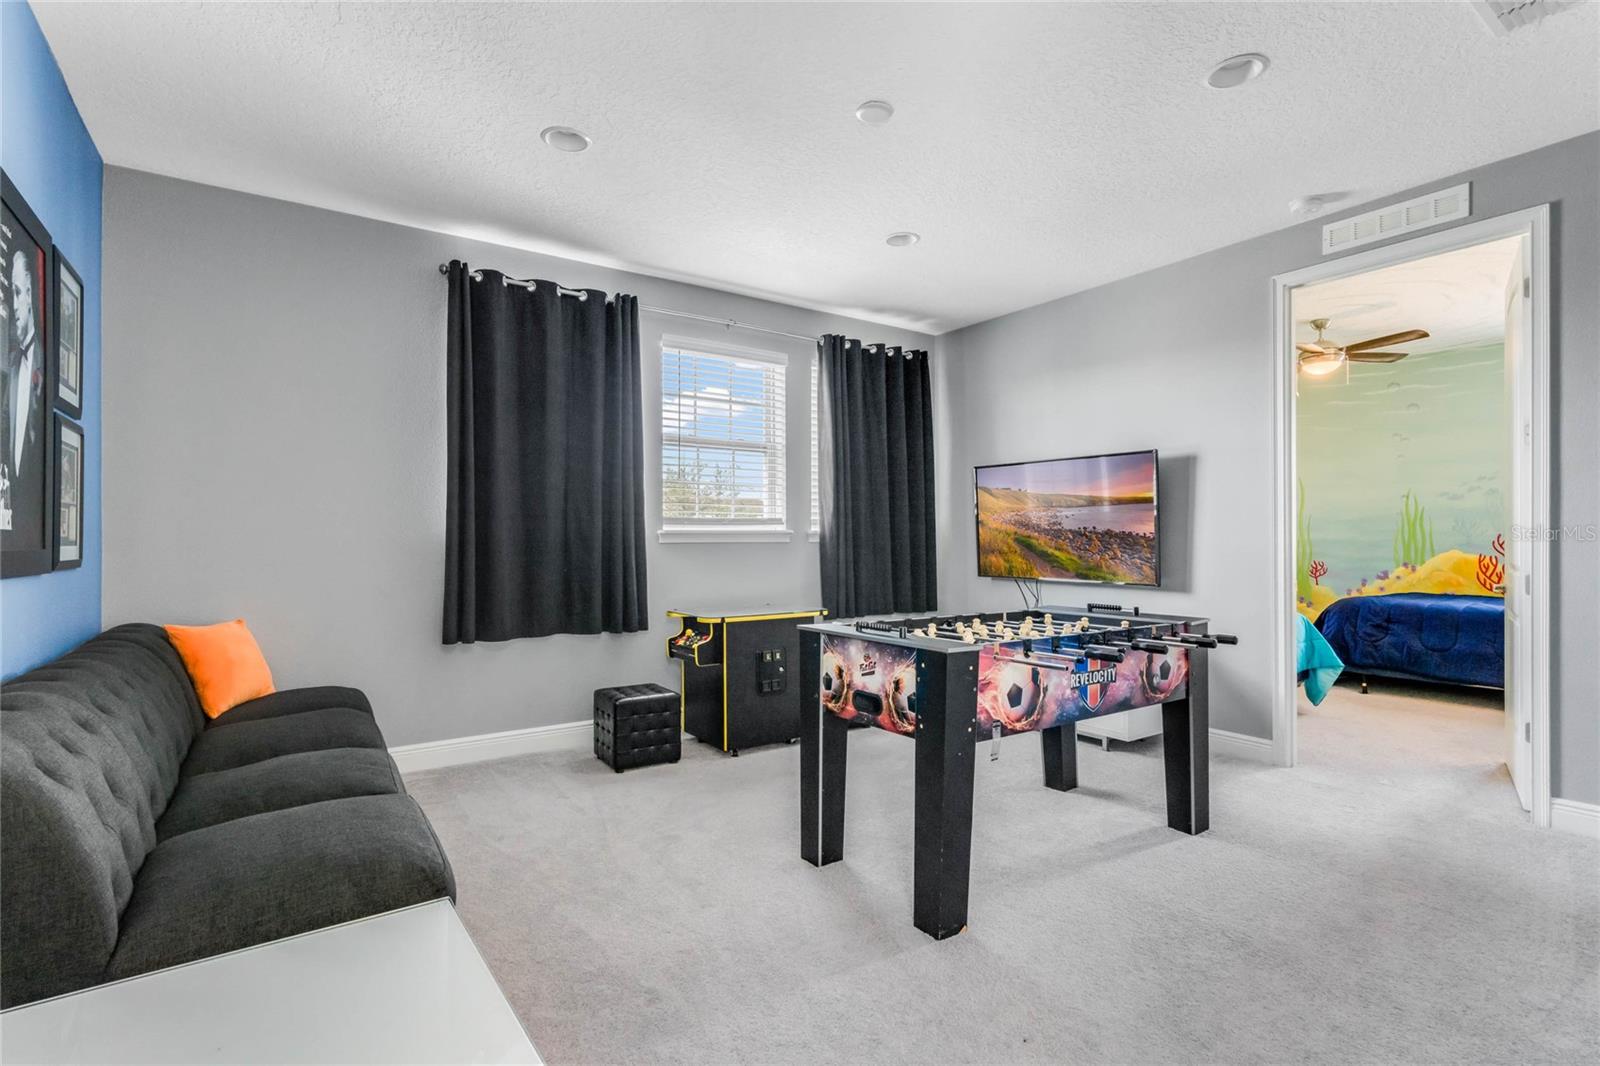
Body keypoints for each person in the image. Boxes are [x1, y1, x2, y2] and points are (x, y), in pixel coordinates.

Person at [3, 246, 45, 537]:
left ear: (30, 295)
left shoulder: (43, 366)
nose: (14, 306)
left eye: (18, 293)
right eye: (11, 294)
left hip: (33, 522)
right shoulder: (13, 367)